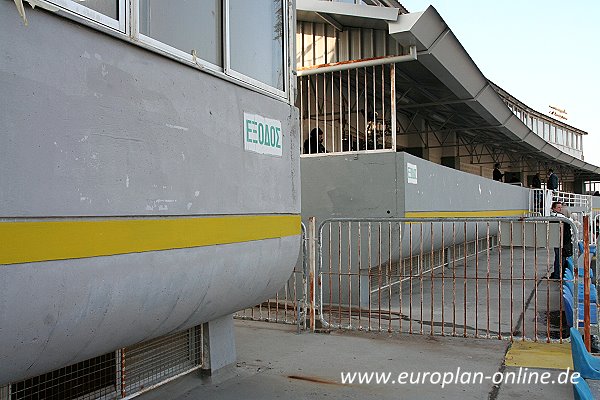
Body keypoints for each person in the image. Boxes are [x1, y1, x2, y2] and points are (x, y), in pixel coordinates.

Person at [549, 201, 573, 279]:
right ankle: (557, 275)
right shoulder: (558, 217)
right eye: (558, 207)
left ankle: (557, 274)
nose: (560, 209)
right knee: (560, 258)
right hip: (560, 240)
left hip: (561, 240)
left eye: (561, 207)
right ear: (554, 208)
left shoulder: (557, 217)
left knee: (559, 258)